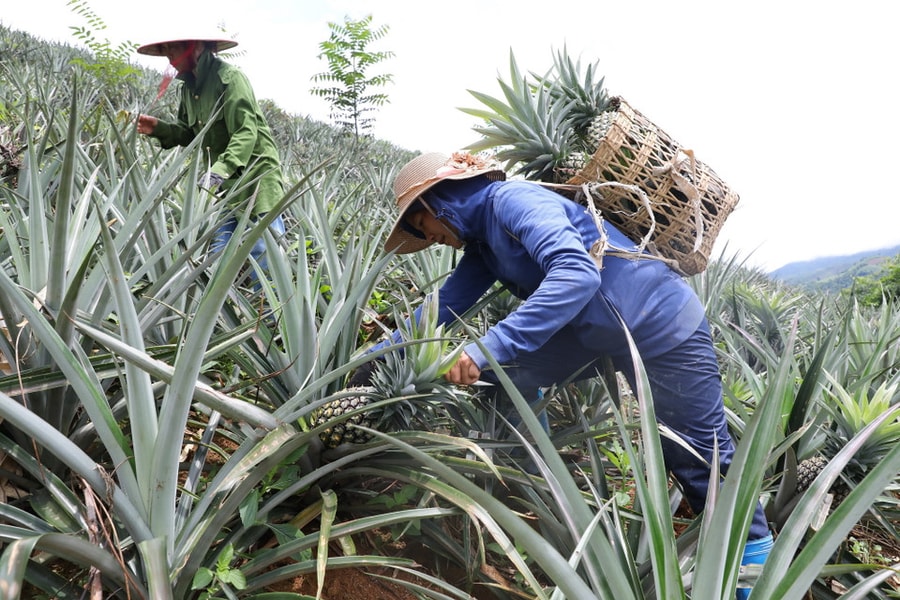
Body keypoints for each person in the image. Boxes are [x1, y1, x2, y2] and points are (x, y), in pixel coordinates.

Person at [354, 151, 772, 598]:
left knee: (698, 460)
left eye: (421, 227)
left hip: (662, 328)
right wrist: (371, 357)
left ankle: (758, 579)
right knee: (502, 376)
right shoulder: (481, 244)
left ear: (437, 204)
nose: (432, 239)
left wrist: (486, 347)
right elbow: (443, 308)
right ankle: (538, 486)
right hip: (593, 334)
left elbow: (576, 275)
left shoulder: (513, 201)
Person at [135, 34, 286, 283]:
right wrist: (158, 128)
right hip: (222, 184)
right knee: (215, 255)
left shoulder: (230, 79)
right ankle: (219, 316)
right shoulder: (188, 89)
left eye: (173, 48)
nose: (169, 56)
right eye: (166, 50)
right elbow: (187, 133)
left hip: (257, 177)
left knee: (264, 255)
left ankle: (270, 319)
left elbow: (246, 132)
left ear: (196, 47)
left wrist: (219, 170)